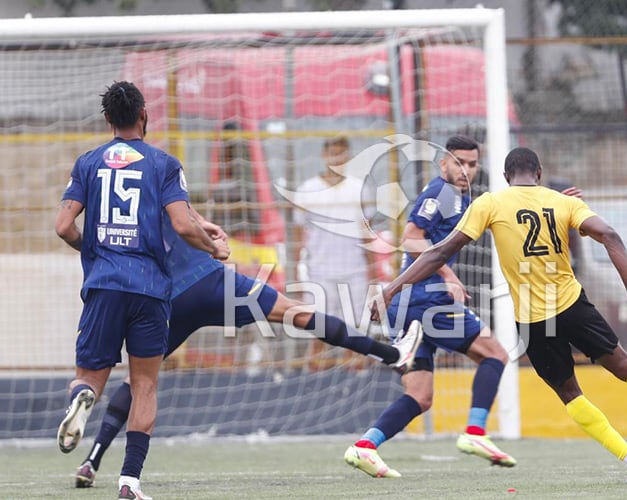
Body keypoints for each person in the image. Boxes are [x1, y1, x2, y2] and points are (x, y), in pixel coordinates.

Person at [371, 146, 627, 481]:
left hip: (533, 320)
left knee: (571, 395)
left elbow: (436, 253)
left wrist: (391, 288)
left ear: (505, 176)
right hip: (572, 304)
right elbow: (609, 235)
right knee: (624, 366)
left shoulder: (490, 203)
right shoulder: (562, 203)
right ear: (539, 174)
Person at [70, 209, 423, 489]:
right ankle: (392, 355)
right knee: (297, 313)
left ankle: (93, 459)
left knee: (140, 380)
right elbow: (183, 219)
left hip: (168, 298)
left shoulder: (104, 197)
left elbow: (70, 229)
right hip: (210, 281)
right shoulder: (158, 168)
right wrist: (212, 239)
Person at [55, 81, 231, 500]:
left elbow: (63, 227)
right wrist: (214, 248)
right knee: (144, 385)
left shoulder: (88, 162)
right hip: (150, 289)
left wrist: (94, 248)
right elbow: (183, 224)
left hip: (103, 284)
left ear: (107, 120)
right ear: (144, 115)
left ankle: (82, 397)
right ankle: (129, 482)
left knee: (89, 378)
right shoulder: (164, 163)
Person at [344, 135, 516, 479]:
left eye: (472, 164)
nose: (466, 170)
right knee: (495, 354)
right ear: (444, 164)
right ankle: (476, 433)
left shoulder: (461, 198)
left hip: (409, 304)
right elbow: (410, 236)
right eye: (459, 163)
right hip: (427, 299)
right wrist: (449, 274)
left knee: (421, 397)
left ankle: (365, 446)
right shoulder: (443, 193)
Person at [292, 136, 378, 371]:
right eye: (332, 153)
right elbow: (298, 236)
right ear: (323, 156)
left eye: (341, 154)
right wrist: (295, 274)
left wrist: (373, 271)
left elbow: (366, 233)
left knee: (356, 328)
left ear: (348, 156)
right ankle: (313, 378)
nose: (336, 159)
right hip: (319, 270)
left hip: (355, 270)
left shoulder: (359, 188)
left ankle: (355, 378)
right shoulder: (308, 189)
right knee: (320, 328)